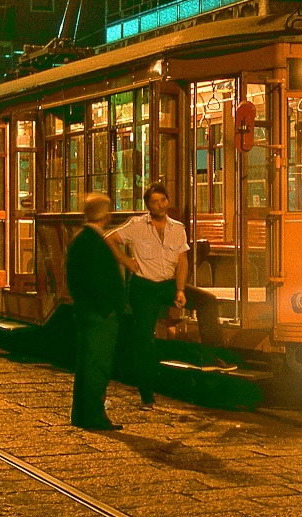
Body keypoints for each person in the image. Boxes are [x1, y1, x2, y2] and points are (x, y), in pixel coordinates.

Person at [107, 182, 235, 411]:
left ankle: (212, 356)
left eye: (163, 200)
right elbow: (109, 238)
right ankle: (147, 396)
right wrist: (126, 261)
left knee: (207, 301)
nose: (160, 205)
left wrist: (180, 290)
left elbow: (182, 261)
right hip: (143, 287)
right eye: (154, 202)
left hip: (167, 284)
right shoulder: (137, 225)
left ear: (167, 201)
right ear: (148, 205)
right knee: (145, 340)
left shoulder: (177, 228)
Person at [65, 193, 126, 431]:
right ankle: (94, 416)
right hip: (100, 314)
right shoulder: (95, 241)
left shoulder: (81, 238)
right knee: (97, 366)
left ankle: (81, 414)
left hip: (87, 311)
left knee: (87, 364)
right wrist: (108, 308)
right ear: (105, 215)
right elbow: (99, 280)